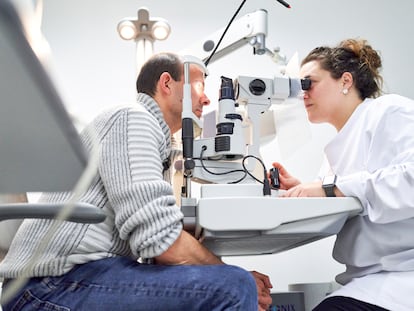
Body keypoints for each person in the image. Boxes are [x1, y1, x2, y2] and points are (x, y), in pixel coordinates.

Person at [0, 52, 272, 311]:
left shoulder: (156, 141)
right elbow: (160, 241)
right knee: (233, 286)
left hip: (70, 278)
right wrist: (230, 274)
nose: (207, 99)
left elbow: (156, 246)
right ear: (166, 83)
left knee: (229, 285)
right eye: (199, 85)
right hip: (46, 287)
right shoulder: (132, 118)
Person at [272, 38, 414, 311]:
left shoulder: (389, 111)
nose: (303, 94)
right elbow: (348, 198)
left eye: (309, 82)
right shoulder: (336, 150)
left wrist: (328, 189)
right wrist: (302, 189)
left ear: (345, 81)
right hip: (369, 279)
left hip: (403, 277)